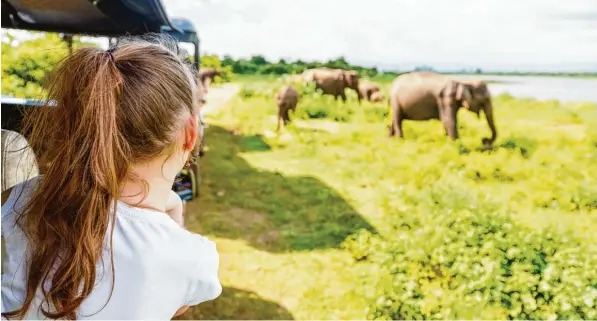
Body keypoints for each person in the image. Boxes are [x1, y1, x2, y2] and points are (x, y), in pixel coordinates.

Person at [1, 35, 221, 319]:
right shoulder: (193, 257)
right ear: (190, 134)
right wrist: (175, 215)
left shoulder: (27, 197)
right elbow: (177, 304)